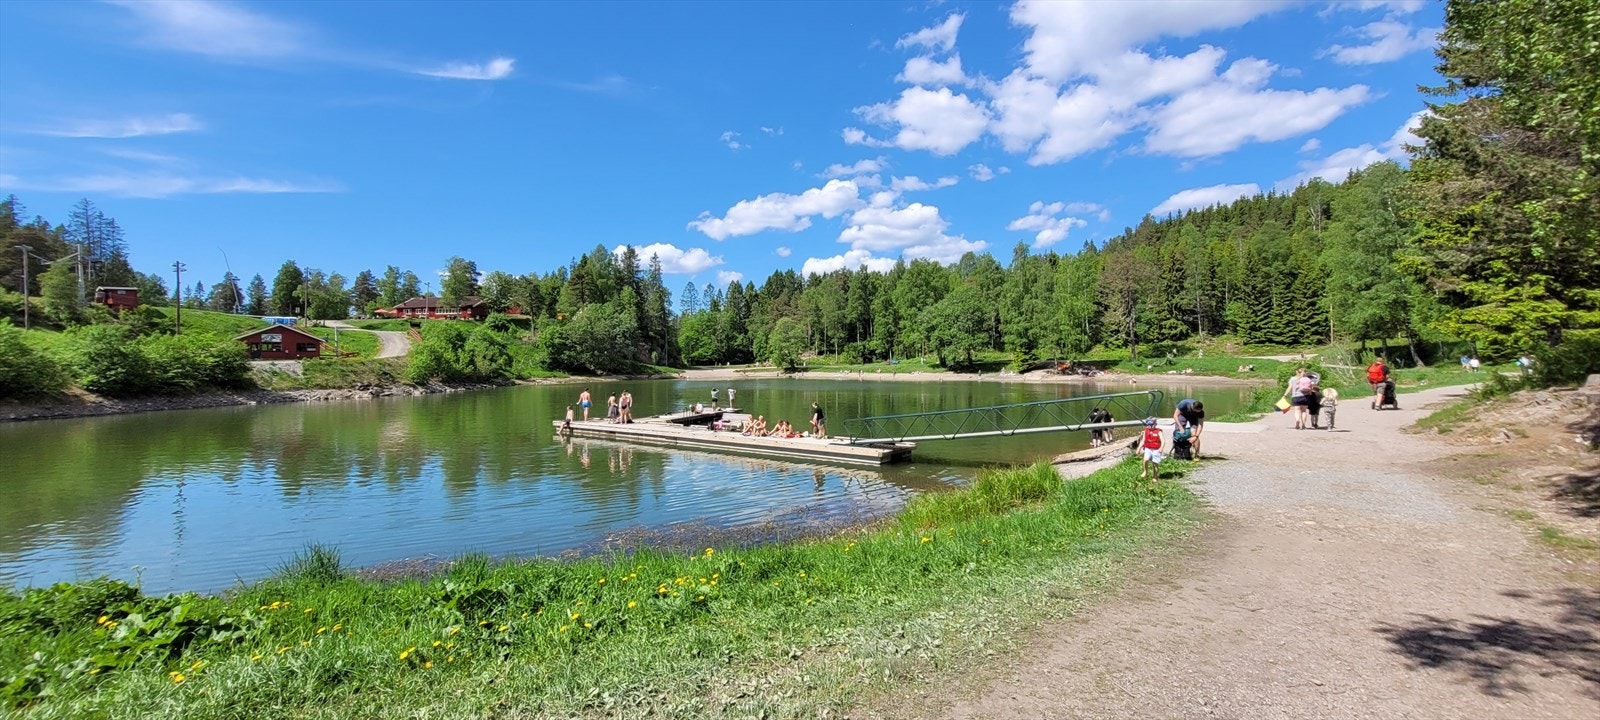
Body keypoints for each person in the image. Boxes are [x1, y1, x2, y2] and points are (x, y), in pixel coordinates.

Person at [1140, 418, 1163, 482]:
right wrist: (1138, 448)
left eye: (1151, 425)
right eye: (1148, 425)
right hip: (1148, 448)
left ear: (1155, 424)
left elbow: (1163, 441)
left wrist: (1161, 448)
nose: (1150, 426)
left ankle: (1155, 476)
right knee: (1145, 460)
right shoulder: (1146, 431)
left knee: (1155, 463)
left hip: (1156, 449)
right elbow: (1143, 440)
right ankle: (1145, 471)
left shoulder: (1159, 432)